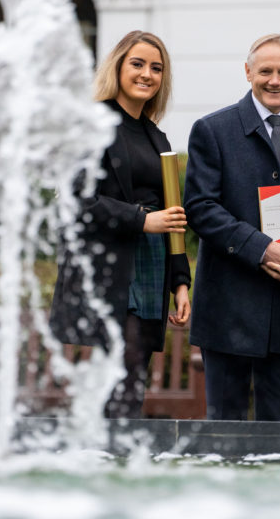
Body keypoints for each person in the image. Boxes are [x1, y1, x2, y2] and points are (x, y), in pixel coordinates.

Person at [183, 33, 280, 421]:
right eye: (265, 71)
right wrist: (262, 248)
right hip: (227, 309)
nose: (275, 80)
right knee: (225, 433)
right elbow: (200, 208)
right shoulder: (212, 129)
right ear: (248, 72)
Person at [50, 30, 191, 419]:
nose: (147, 74)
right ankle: (110, 447)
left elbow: (172, 213)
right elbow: (75, 200)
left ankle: (114, 446)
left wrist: (181, 282)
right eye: (138, 64)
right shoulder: (92, 125)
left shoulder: (157, 136)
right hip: (111, 267)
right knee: (123, 367)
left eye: (156, 68)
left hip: (152, 264)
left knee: (134, 367)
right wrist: (141, 219)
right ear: (118, 67)